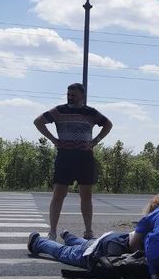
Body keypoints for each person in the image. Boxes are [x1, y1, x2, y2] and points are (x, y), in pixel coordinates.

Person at [34, 83, 113, 241]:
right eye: (68, 94)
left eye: (73, 95)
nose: (70, 97)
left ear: (82, 96)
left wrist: (95, 141)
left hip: (85, 157)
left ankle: (88, 231)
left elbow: (108, 124)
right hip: (65, 156)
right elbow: (38, 121)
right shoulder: (59, 110)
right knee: (58, 194)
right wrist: (53, 140)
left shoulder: (91, 112)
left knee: (86, 195)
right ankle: (52, 231)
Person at [27, 229, 130, 268]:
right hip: (99, 251)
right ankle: (38, 242)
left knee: (91, 243)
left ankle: (69, 237)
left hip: (109, 239)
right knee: (63, 252)